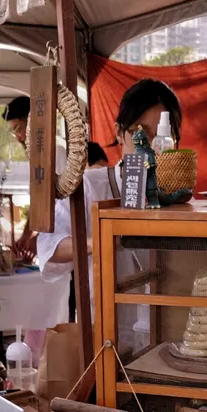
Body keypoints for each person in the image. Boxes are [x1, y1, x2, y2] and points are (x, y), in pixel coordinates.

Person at [37, 78, 182, 273]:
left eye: (163, 137)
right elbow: (48, 245)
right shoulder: (91, 186)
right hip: (105, 293)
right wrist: (102, 239)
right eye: (140, 133)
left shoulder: (177, 195)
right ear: (119, 133)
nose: (151, 146)